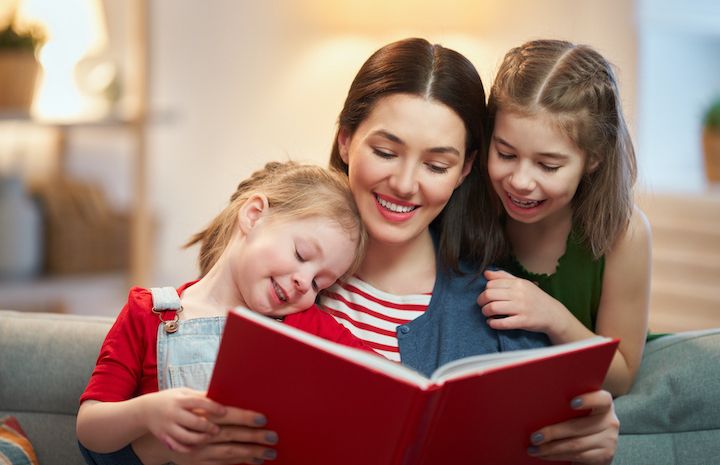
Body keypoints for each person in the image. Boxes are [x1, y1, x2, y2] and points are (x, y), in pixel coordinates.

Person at [321, 38, 618, 464]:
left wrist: (588, 446)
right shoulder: (278, 264)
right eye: (386, 152)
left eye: (436, 165)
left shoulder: (499, 314)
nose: (405, 184)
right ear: (346, 140)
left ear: (464, 170)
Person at [76, 161, 370, 465]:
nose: (303, 283)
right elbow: (90, 428)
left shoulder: (306, 326)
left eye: (319, 283)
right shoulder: (149, 313)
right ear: (254, 215)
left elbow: (386, 386)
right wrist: (147, 413)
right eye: (301, 254)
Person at [477, 39, 651, 397]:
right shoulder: (474, 204)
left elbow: (620, 376)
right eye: (506, 154)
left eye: (548, 165)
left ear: (593, 158)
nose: (521, 182)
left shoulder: (625, 234)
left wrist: (552, 317)